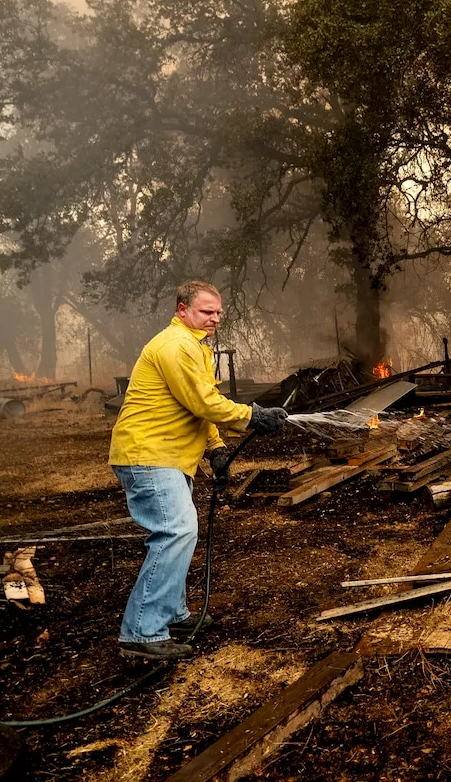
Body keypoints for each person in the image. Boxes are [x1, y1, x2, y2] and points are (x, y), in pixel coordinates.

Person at [109, 280, 288, 660]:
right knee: (176, 531)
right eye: (207, 311)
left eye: (218, 312)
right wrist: (252, 416)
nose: (215, 319)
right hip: (149, 454)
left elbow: (194, 407)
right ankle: (141, 632)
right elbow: (205, 402)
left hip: (167, 455)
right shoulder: (176, 347)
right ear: (182, 309)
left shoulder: (194, 348)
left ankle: (171, 614)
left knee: (179, 532)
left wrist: (217, 449)